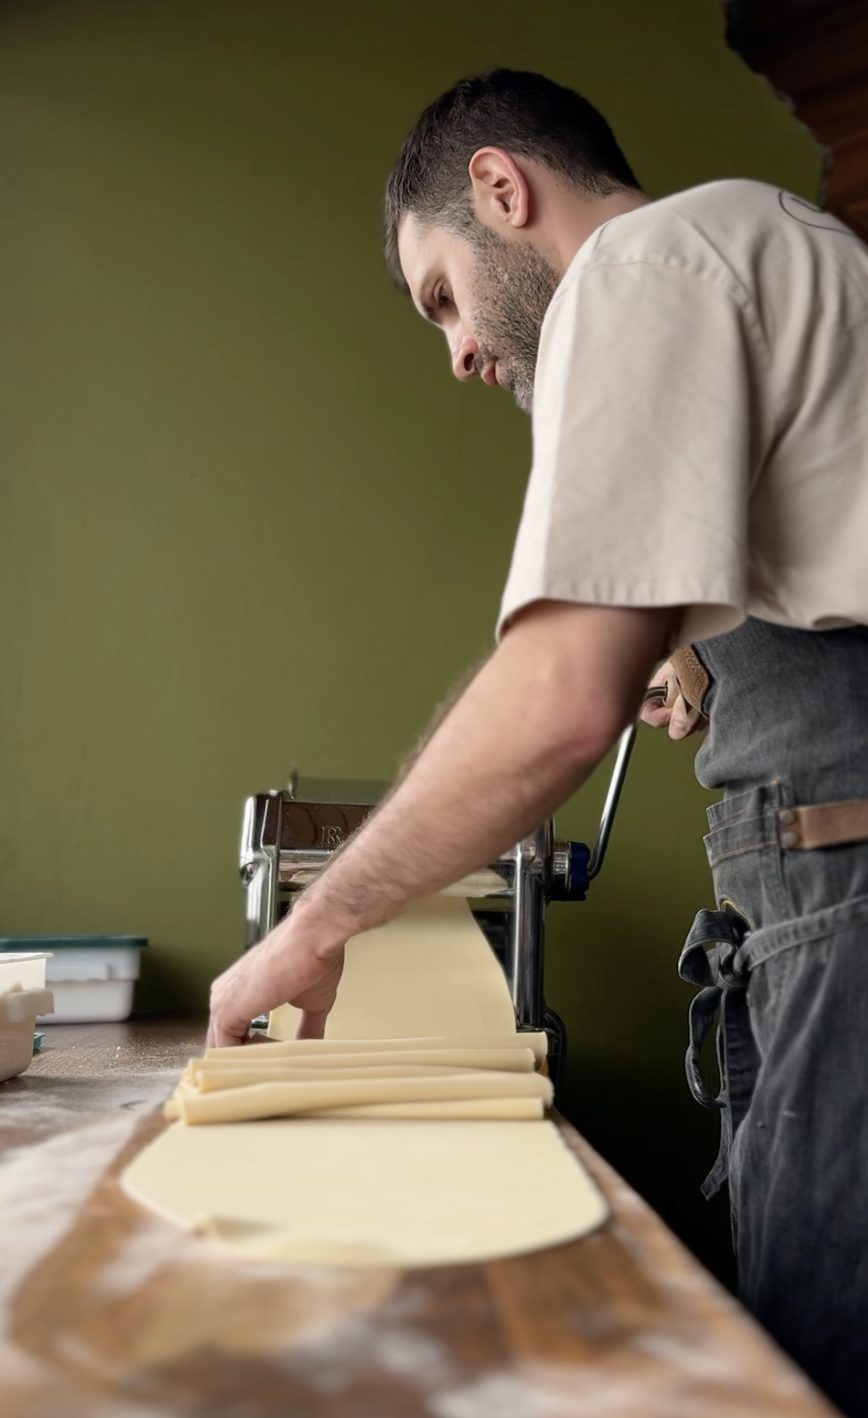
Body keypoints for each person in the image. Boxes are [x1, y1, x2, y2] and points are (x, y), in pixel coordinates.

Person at [207, 70, 868, 1415]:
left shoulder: (646, 261)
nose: (456, 349)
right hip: (828, 880)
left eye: (442, 293)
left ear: (503, 191)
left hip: (848, 903)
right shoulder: (771, 241)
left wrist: (316, 922)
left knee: (821, 1362)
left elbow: (559, 691)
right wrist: (706, 666)